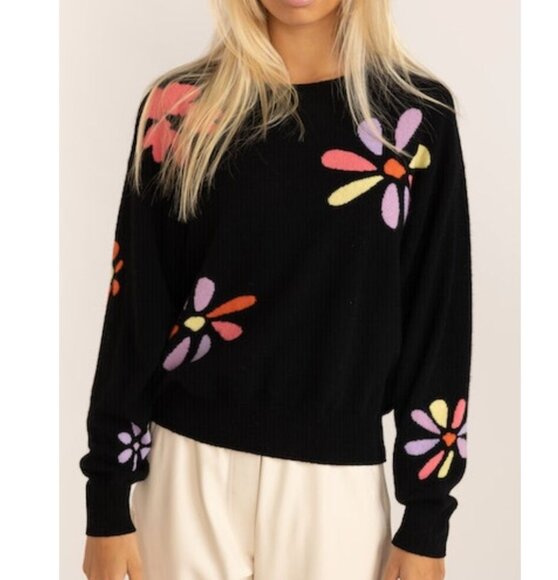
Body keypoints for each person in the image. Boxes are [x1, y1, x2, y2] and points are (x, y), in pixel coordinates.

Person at [79, 0, 472, 578]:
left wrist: (427, 521)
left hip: (334, 489)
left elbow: (438, 321)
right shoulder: (179, 108)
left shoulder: (416, 120)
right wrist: (107, 501)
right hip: (186, 473)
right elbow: (135, 308)